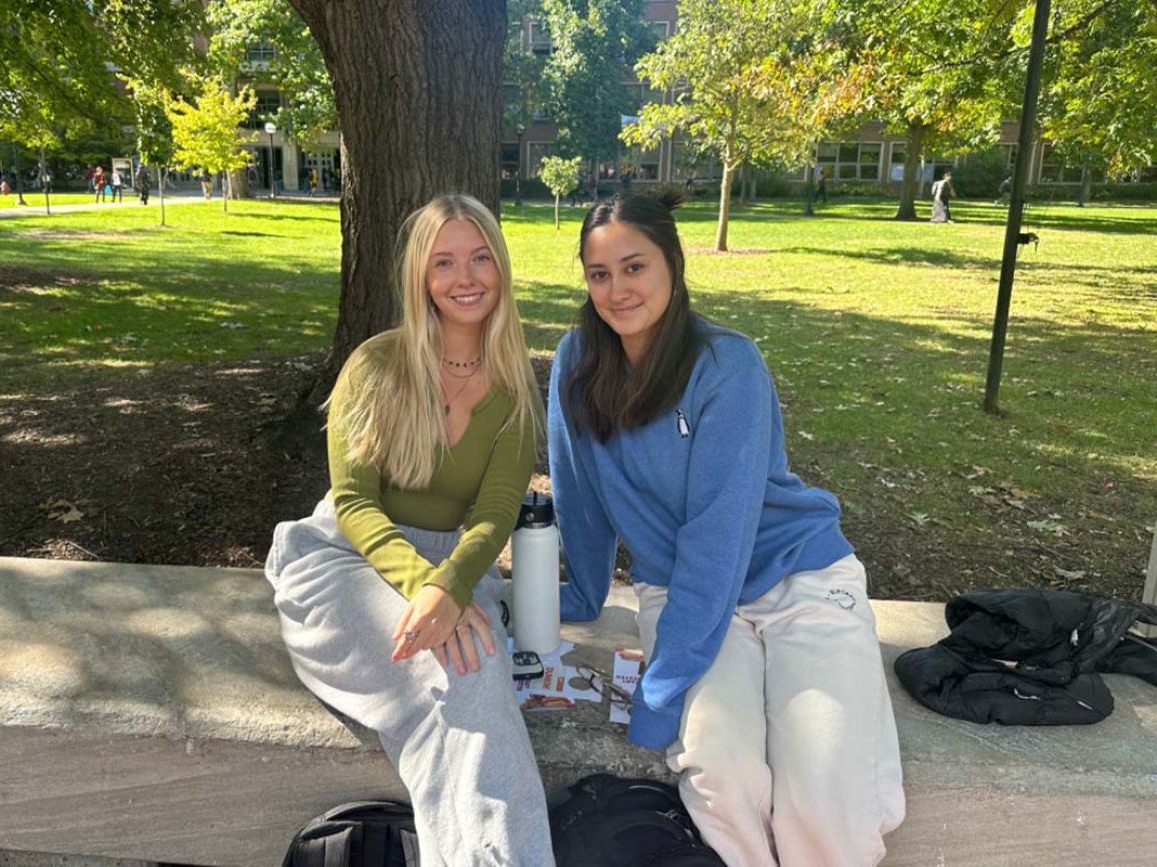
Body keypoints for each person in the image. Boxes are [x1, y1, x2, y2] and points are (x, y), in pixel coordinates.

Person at [548, 191, 905, 867]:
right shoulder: (576, 364)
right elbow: (579, 496)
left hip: (799, 577)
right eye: (600, 274)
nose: (617, 290)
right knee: (719, 768)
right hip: (681, 590)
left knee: (823, 785)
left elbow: (719, 538)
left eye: (634, 267)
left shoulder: (728, 366)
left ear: (673, 265)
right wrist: (579, 592)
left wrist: (663, 684)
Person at [264, 194, 554, 867]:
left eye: (481, 256)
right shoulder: (375, 365)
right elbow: (356, 501)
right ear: (421, 276)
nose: (466, 276)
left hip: (455, 569)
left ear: (502, 268)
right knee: (458, 678)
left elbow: (497, 508)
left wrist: (450, 583)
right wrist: (427, 584)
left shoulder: (511, 384)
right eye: (445, 261)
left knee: (474, 675)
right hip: (345, 561)